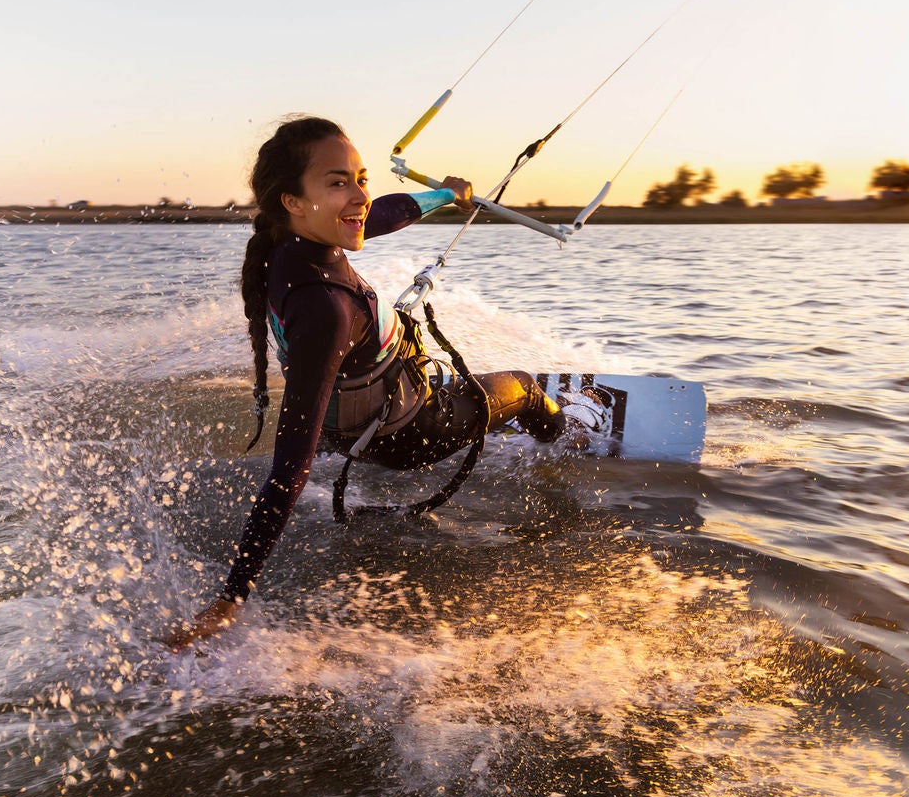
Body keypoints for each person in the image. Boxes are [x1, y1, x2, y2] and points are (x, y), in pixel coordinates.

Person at [168, 116, 606, 648]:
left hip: (351, 429)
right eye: (338, 182)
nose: (359, 196)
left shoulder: (286, 246)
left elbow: (384, 215)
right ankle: (571, 434)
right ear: (293, 200)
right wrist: (230, 599)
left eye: (361, 178)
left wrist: (448, 193)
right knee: (522, 386)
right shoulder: (325, 310)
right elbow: (288, 470)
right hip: (407, 434)